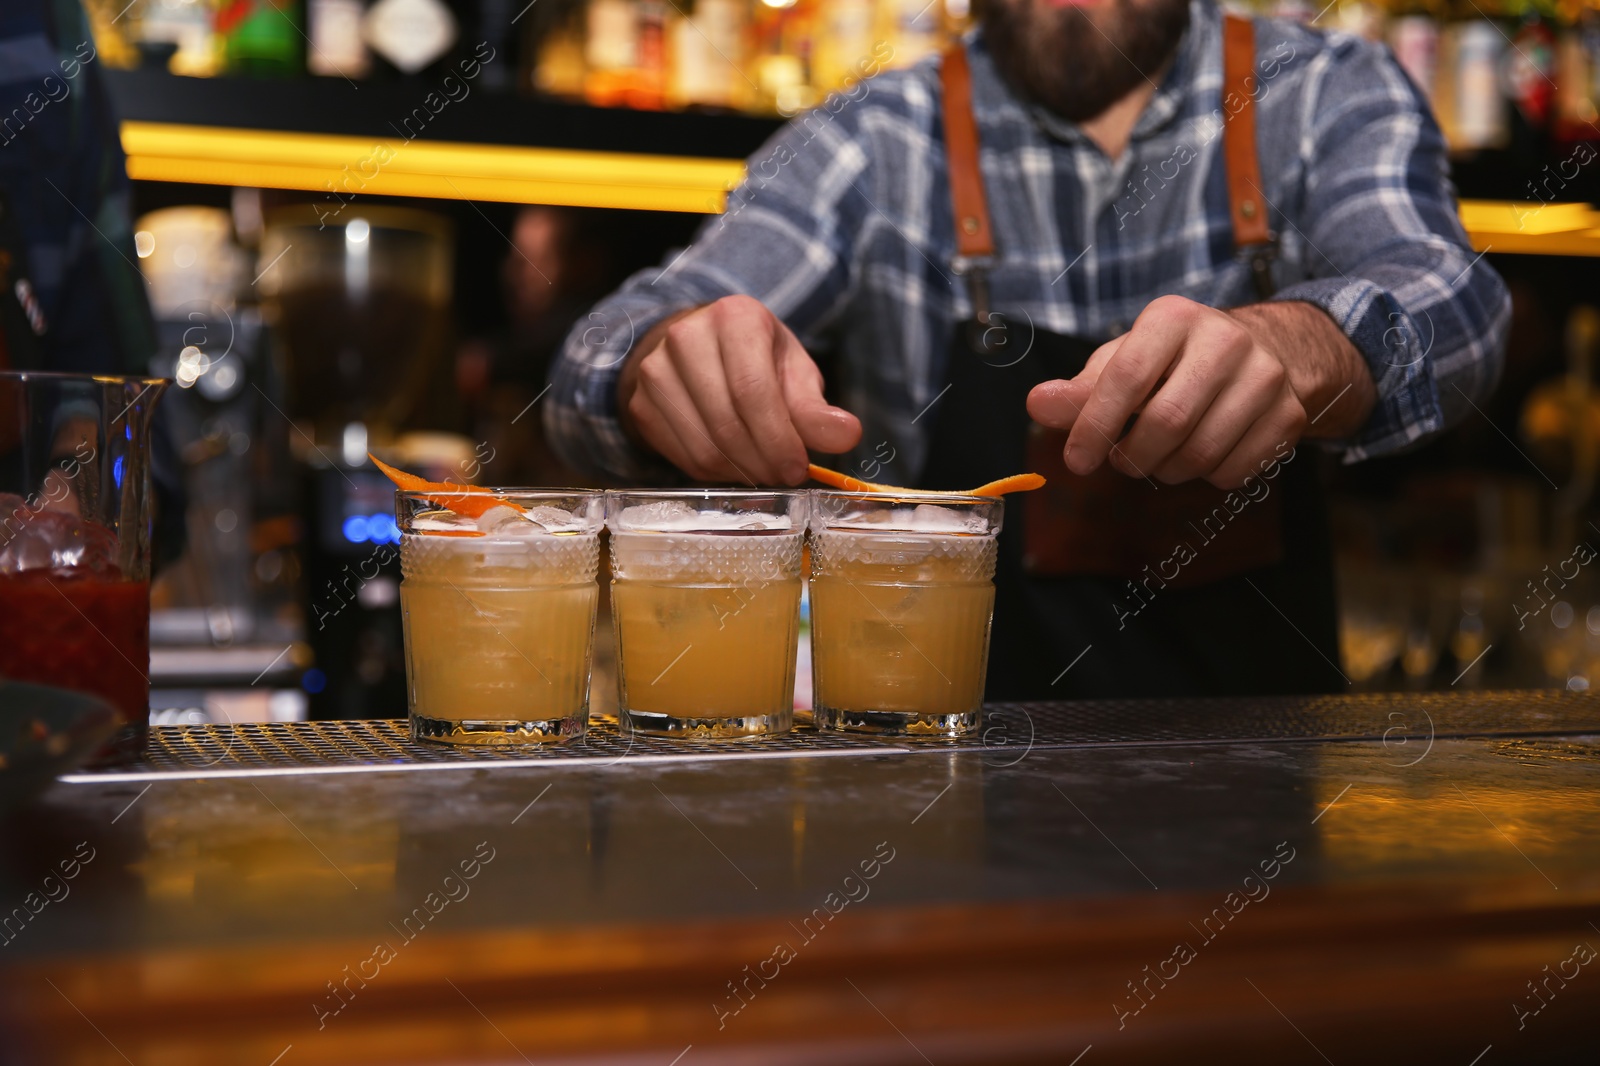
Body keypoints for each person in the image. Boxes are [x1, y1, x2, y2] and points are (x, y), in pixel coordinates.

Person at [545, 0, 1510, 700]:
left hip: (1263, 810)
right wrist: (653, 362)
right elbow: (604, 350)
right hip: (942, 803)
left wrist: (1312, 346)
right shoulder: (875, 136)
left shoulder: (1323, 92)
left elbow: (1456, 300)